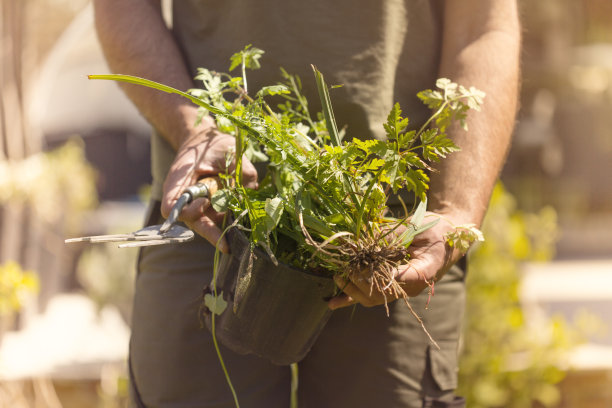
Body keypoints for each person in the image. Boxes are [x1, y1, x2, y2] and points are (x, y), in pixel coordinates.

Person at [93, 1, 521, 407]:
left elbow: (485, 23)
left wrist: (454, 212)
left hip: (395, 238)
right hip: (213, 210)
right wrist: (193, 127)